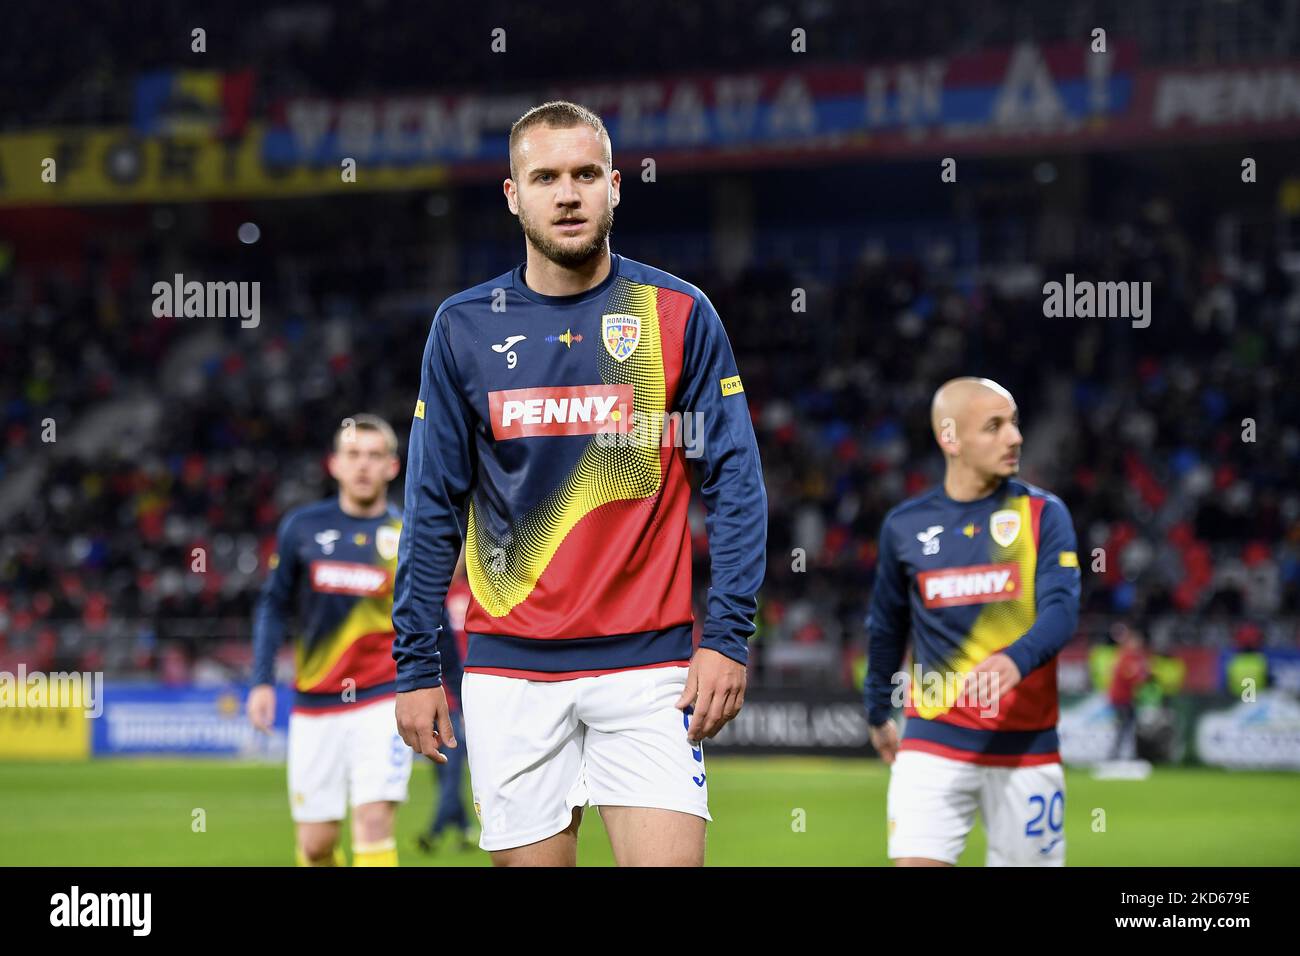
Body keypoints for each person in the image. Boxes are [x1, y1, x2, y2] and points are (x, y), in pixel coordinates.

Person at [391, 100, 767, 866]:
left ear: (615, 186)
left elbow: (734, 481)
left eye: (585, 174)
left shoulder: (676, 313)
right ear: (513, 194)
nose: (568, 194)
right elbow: (433, 504)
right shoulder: (464, 326)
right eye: (547, 177)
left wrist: (727, 635)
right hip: (510, 672)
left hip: (653, 669)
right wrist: (416, 663)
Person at [864, 377, 1081, 866]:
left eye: (1015, 423)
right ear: (951, 438)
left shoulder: (1044, 514)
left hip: (1026, 747)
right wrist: (879, 709)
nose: (1015, 437)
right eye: (994, 426)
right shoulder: (905, 526)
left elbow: (1062, 611)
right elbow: (886, 626)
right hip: (931, 743)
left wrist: (1014, 659)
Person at [248, 414, 413, 866]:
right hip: (314, 703)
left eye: (374, 455)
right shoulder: (300, 527)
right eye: (353, 455)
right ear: (334, 464)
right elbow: (273, 604)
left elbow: (427, 618)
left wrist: (440, 688)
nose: (363, 465)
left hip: (382, 697)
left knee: (374, 821)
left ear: (392, 467)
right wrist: (262, 680)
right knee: (316, 845)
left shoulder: (408, 536)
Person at [415, 554, 472, 854]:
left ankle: (434, 832)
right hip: (434, 697)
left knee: (451, 769)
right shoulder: (434, 599)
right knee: (441, 770)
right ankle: (464, 829)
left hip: (460, 697)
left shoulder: (475, 593)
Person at [1107, 622, 1150, 761]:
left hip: (1127, 698)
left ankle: (1123, 754)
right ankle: (1117, 755)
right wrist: (1141, 676)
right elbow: (1130, 676)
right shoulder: (1127, 656)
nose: (1138, 643)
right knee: (1124, 727)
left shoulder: (1133, 656)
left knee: (1127, 727)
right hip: (1121, 698)